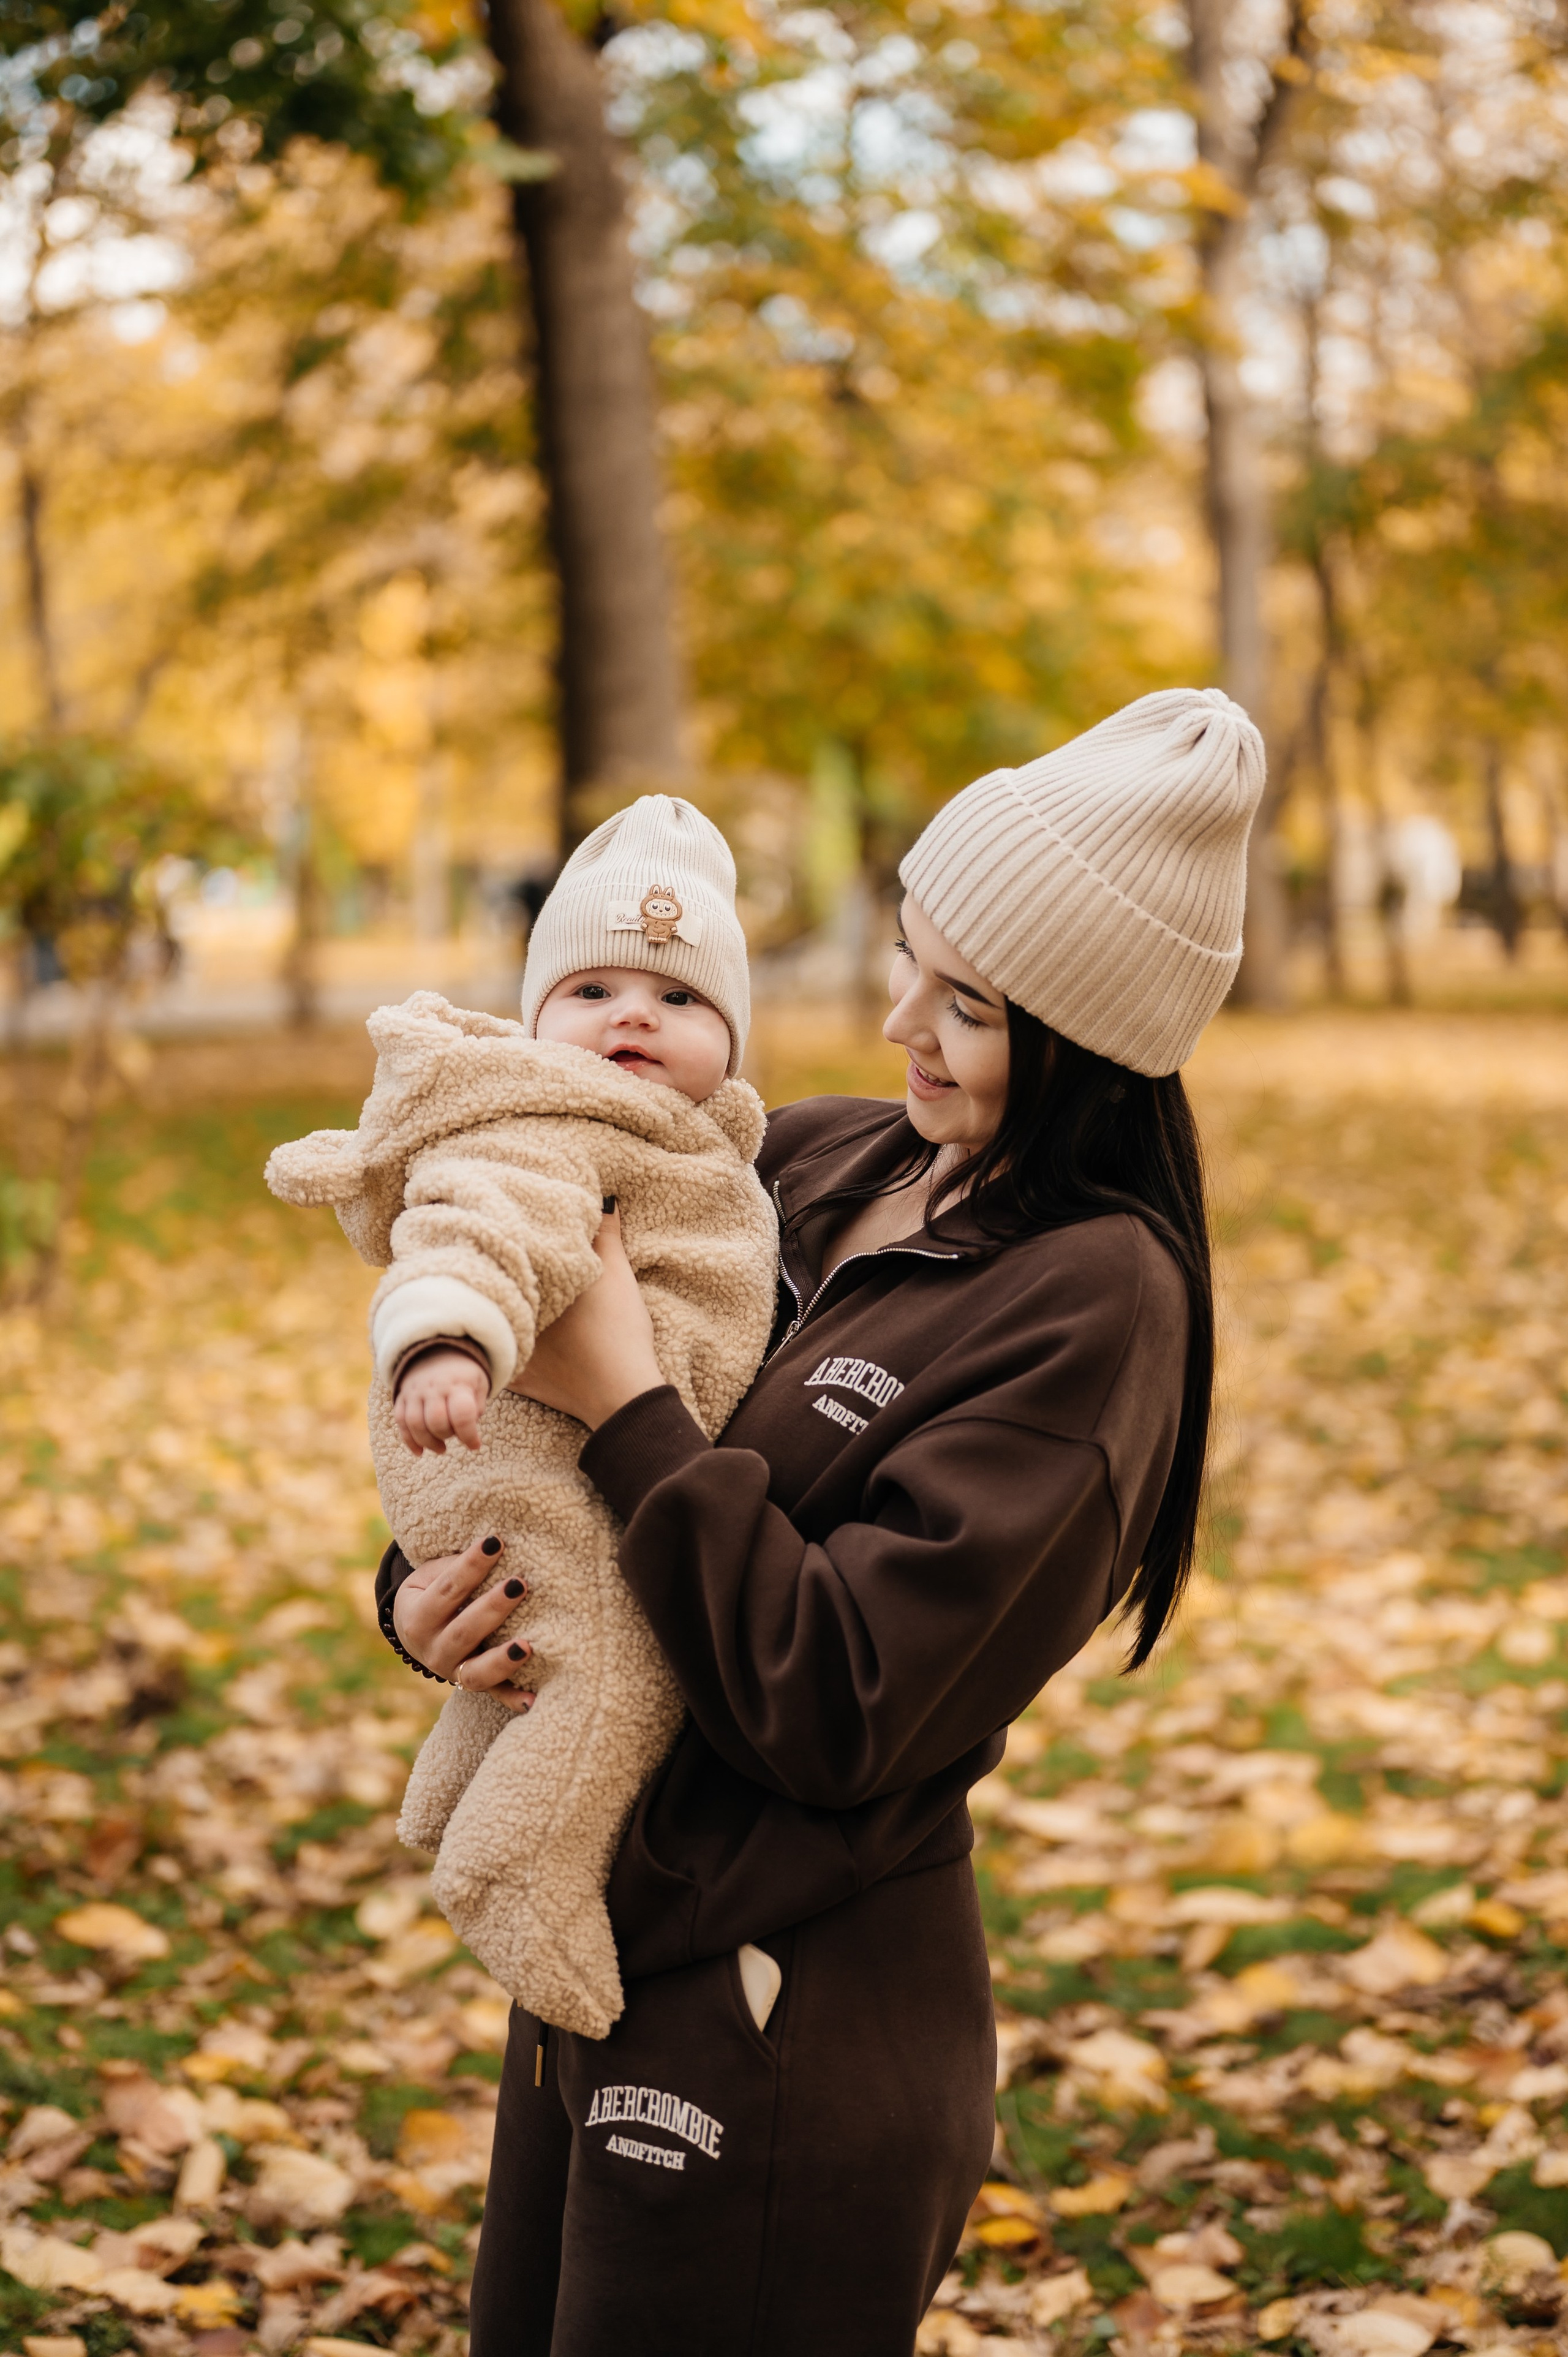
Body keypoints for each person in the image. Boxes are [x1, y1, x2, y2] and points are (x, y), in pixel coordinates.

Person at [379, 687, 1266, 2356]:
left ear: (1092, 1041)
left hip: (782, 2011)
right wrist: (434, 1590)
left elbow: (844, 1699)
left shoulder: (1095, 1307)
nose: (900, 1027)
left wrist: (626, 1397)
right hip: (602, 1948)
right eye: (908, 960)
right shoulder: (816, 1161)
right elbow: (528, 1411)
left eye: (970, 1008)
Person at [268, 796, 777, 2037]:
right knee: (618, 1660)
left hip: (537, 1449)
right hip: (506, 1424)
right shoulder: (555, 1119)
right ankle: (513, 1863)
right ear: (539, 1018)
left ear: (734, 1039)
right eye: (592, 990)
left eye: (678, 999)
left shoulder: (696, 1145)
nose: (632, 1019)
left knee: (535, 1639)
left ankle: (454, 1790)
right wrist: (444, 1333)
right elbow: (476, 1221)